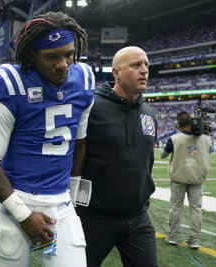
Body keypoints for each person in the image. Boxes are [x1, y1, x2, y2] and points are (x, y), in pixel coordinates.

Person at [0, 11, 94, 267]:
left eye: (69, 54)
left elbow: (79, 144)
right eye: (52, 56)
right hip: (16, 202)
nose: (63, 63)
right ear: (31, 54)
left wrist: (72, 196)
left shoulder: (83, 79)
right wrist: (24, 215)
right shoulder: (12, 83)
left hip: (60, 203)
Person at [76, 46, 158, 267]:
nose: (144, 70)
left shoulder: (149, 114)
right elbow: (74, 157)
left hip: (137, 217)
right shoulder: (92, 107)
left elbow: (147, 162)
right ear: (116, 73)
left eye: (146, 65)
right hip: (94, 217)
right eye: (136, 65)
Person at [161, 112, 211, 249]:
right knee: (196, 209)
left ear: (179, 124)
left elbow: (163, 155)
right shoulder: (206, 139)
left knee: (176, 206)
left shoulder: (174, 138)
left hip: (179, 177)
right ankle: (194, 239)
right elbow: (209, 150)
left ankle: (172, 236)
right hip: (197, 178)